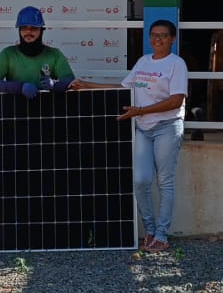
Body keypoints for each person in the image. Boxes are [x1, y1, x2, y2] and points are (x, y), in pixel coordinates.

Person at [74, 19, 188, 253]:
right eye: (154, 35)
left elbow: (177, 100)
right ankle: (149, 229)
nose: (158, 39)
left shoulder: (177, 64)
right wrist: (87, 85)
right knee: (140, 180)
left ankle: (162, 235)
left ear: (173, 39)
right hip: (143, 128)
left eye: (163, 36)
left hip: (167, 126)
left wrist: (141, 111)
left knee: (165, 182)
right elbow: (125, 88)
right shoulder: (143, 62)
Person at [0, 5, 75, 99]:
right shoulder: (8, 54)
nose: (28, 32)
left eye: (33, 28)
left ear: (41, 30)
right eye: (24, 28)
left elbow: (71, 82)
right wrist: (20, 87)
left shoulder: (55, 54)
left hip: (47, 108)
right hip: (14, 109)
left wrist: (55, 85)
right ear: (19, 30)